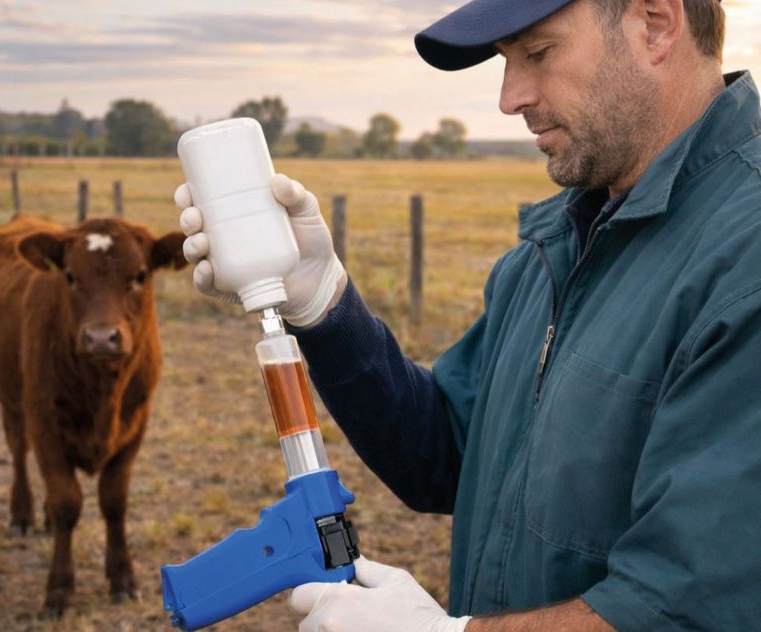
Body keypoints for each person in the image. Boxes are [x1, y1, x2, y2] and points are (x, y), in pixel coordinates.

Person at [176, 0, 761, 629]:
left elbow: (691, 605)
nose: (510, 98)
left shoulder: (743, 261)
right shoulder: (558, 248)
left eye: (538, 53)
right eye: (506, 62)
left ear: (656, 24)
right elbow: (449, 452)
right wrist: (323, 305)